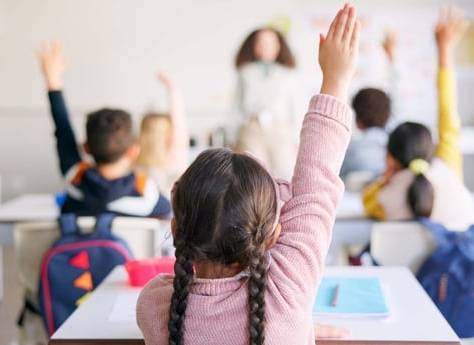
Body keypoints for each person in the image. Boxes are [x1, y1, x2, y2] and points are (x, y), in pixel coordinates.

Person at [136, 4, 360, 344]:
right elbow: (316, 188)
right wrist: (336, 78)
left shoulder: (154, 306)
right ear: (272, 237)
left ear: (176, 227)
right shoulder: (290, 292)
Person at [362, 6, 474, 227]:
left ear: (389, 159)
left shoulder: (383, 199)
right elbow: (448, 111)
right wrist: (444, 50)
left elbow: (366, 199)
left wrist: (385, 179)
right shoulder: (447, 165)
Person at [38, 41, 170, 218]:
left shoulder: (75, 179)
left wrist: (53, 81)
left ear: (85, 148)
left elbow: (63, 131)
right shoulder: (146, 193)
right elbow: (169, 212)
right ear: (133, 151)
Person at [231, 26, 302, 179]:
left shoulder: (288, 74)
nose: (265, 47)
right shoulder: (245, 72)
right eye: (260, 43)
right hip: (251, 129)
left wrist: (297, 140)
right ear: (253, 46)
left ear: (278, 47)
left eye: (270, 43)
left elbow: (295, 108)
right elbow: (235, 107)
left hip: (280, 130)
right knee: (253, 175)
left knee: (284, 173)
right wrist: (231, 138)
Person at [340, 32, 398, 184]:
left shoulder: (348, 152)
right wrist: (391, 59)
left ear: (358, 120)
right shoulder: (395, 151)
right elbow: (398, 94)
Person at [136, 72, 190, 196]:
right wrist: (171, 87)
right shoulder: (174, 158)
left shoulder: (135, 160)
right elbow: (179, 121)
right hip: (170, 213)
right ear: (167, 134)